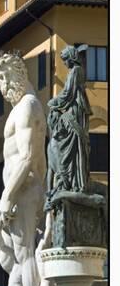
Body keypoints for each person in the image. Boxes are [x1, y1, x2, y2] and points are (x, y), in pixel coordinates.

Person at [0, 51, 47, 286]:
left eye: (3, 77)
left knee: (25, 256)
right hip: (16, 192)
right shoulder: (19, 109)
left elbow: (27, 158)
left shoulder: (28, 106)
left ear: (17, 73)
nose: (1, 85)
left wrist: (10, 197)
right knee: (11, 259)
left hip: (25, 190)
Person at [46, 44, 91, 200]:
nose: (64, 63)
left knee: (72, 144)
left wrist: (53, 102)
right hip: (71, 109)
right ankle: (70, 179)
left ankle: (75, 181)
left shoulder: (76, 71)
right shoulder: (73, 71)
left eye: (65, 59)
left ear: (71, 58)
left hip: (75, 111)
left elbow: (68, 93)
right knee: (68, 144)